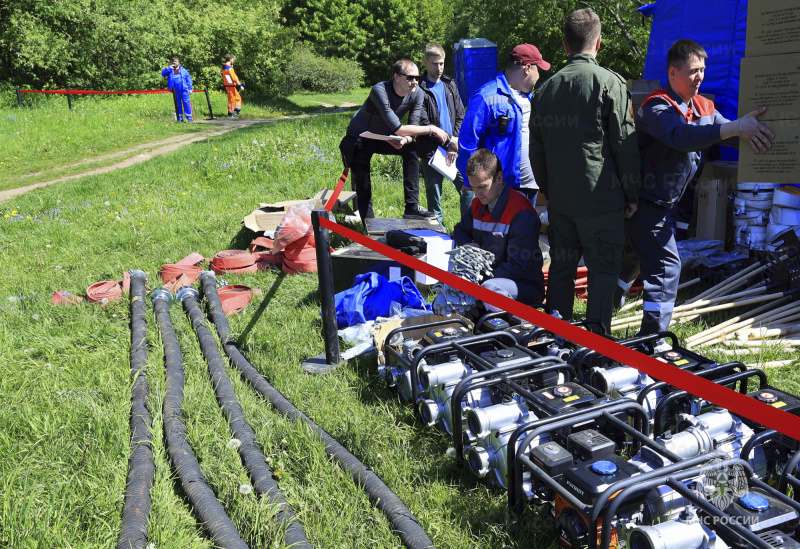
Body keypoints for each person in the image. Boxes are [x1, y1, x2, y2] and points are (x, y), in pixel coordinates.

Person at [626, 38, 774, 335]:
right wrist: (734, 128)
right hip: (645, 203)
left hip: (666, 204)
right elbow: (682, 137)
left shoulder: (704, 105)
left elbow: (727, 134)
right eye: (693, 71)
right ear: (673, 74)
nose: (700, 77)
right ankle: (652, 340)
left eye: (703, 70)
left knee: (629, 261)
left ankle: (612, 304)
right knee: (667, 269)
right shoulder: (655, 107)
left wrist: (766, 132)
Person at [529, 7, 640, 332]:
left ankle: (556, 336)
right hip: (601, 202)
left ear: (565, 46)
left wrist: (549, 191)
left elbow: (536, 151)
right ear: (599, 42)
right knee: (603, 271)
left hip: (562, 199)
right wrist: (631, 194)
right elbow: (625, 145)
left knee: (562, 267)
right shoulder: (611, 83)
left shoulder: (545, 90)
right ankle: (596, 340)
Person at [341, 59, 448, 221]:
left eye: (417, 78)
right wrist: (432, 129)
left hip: (384, 137)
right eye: (410, 78)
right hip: (359, 137)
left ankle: (411, 208)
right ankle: (370, 227)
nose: (414, 82)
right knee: (363, 185)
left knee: (411, 149)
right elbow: (399, 128)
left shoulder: (417, 93)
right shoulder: (380, 90)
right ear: (396, 77)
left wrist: (405, 140)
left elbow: (412, 126)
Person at [456, 43, 550, 206]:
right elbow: (467, 142)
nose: (539, 76)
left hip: (531, 187)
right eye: (538, 70)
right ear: (528, 69)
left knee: (524, 230)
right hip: (500, 188)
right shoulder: (486, 97)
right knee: (498, 231)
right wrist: (470, 180)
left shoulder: (529, 98)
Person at [452, 149, 545, 309]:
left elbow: (518, 267)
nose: (477, 193)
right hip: (491, 278)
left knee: (489, 289)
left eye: (482, 187)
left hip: (523, 285)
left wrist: (476, 280)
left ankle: (517, 329)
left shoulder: (521, 212)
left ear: (499, 178)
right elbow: (459, 231)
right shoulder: (477, 205)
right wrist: (468, 245)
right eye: (473, 187)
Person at [417, 43, 474, 226]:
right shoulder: (419, 88)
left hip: (455, 149)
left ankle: (466, 230)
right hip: (431, 151)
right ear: (425, 62)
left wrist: (454, 141)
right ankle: (438, 237)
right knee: (434, 201)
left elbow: (460, 115)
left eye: (441, 63)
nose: (439, 68)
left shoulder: (450, 84)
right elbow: (422, 122)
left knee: (468, 190)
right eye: (434, 63)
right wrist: (448, 142)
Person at [161, 57, 193, 122]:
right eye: (173, 61)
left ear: (179, 63)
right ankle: (180, 118)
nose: (174, 62)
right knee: (178, 104)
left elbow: (188, 79)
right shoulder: (170, 70)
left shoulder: (184, 70)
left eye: (175, 61)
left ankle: (189, 117)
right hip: (175, 90)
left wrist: (190, 88)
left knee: (186, 102)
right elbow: (162, 73)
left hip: (184, 89)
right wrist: (169, 68)